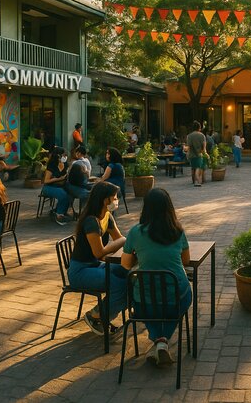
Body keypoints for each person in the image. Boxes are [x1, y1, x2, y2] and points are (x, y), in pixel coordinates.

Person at [121, 188, 191, 366]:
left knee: (142, 303)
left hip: (145, 301)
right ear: (169, 208)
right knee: (184, 299)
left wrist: (140, 255)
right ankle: (162, 341)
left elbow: (125, 264)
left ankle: (158, 340)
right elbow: (186, 261)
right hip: (176, 297)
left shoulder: (136, 232)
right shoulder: (177, 231)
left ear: (146, 208)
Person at [68, 181, 127, 337]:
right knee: (119, 284)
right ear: (104, 199)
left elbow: (119, 238)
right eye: (114, 197)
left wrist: (124, 244)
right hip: (80, 271)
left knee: (127, 273)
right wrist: (121, 242)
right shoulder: (91, 221)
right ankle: (96, 315)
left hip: (95, 266)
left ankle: (103, 315)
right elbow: (99, 253)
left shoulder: (107, 216)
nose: (116, 201)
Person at [42, 147, 70, 226]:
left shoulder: (65, 164)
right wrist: (58, 179)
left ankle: (60, 211)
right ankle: (59, 215)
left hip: (61, 185)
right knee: (63, 194)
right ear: (58, 155)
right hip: (49, 187)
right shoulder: (52, 165)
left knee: (70, 194)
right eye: (63, 155)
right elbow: (46, 180)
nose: (65, 157)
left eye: (65, 155)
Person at [186, 121, 207, 187]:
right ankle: (197, 181)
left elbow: (189, 146)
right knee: (198, 167)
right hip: (199, 154)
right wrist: (205, 153)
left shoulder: (189, 136)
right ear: (199, 128)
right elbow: (204, 147)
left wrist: (187, 153)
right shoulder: (202, 135)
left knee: (193, 167)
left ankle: (193, 180)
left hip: (191, 154)